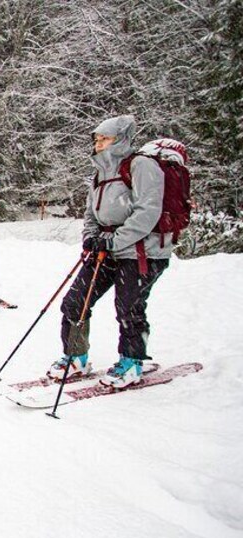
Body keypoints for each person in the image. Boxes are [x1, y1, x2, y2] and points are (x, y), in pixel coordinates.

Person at [48, 115, 169, 389]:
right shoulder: (100, 173)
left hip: (142, 251)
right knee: (75, 301)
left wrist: (114, 240)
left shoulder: (141, 166)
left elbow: (148, 212)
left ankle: (131, 362)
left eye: (105, 139)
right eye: (97, 139)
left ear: (121, 139)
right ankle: (76, 356)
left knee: (128, 307)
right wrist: (91, 237)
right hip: (106, 249)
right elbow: (91, 213)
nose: (98, 144)